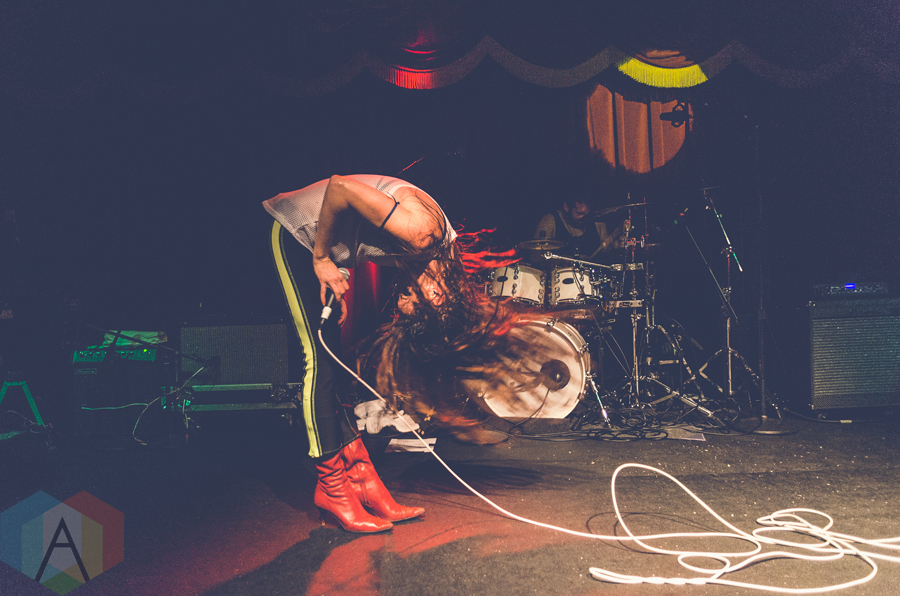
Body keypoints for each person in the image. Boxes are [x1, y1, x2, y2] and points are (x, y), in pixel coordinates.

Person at [263, 175, 527, 534]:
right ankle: (333, 490)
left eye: (405, 303)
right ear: (437, 295)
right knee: (319, 363)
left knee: (334, 369)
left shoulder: (437, 257)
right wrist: (322, 258)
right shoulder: (422, 235)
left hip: (318, 243)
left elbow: (357, 230)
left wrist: (336, 269)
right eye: (409, 305)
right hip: (292, 234)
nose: (401, 305)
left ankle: (364, 483)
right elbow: (340, 188)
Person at [532, 197, 625, 260]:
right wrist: (573, 259)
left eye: (587, 214)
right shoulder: (549, 221)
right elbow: (536, 257)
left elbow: (607, 250)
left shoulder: (597, 222)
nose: (585, 217)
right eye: (579, 213)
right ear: (566, 207)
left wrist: (615, 246)